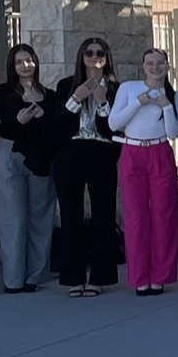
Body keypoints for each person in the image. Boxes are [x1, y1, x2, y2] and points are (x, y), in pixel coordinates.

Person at [109, 47, 178, 297]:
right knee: (136, 216)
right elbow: (114, 123)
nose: (155, 67)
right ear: (143, 66)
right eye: (150, 63)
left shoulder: (174, 95)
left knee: (163, 214)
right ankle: (140, 276)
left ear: (167, 66)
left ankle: (160, 276)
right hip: (132, 152)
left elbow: (173, 133)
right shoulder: (128, 89)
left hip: (159, 151)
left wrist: (166, 106)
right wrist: (138, 103)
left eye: (160, 63)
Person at [0, 43, 54, 294]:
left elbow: (57, 130)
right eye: (19, 62)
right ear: (12, 66)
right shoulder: (1, 93)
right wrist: (14, 122)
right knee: (11, 217)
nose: (26, 65)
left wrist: (43, 117)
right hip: (10, 154)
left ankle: (33, 277)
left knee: (40, 217)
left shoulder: (48, 94)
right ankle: (13, 279)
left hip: (40, 158)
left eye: (29, 60)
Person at [52, 36, 121, 297]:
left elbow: (114, 129)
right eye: (89, 53)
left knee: (103, 215)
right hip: (70, 154)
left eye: (100, 52)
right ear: (82, 57)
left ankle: (100, 276)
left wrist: (103, 103)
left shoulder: (116, 88)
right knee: (71, 215)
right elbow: (59, 127)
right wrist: (76, 99)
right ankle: (73, 276)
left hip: (101, 153)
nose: (95, 57)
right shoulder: (65, 85)